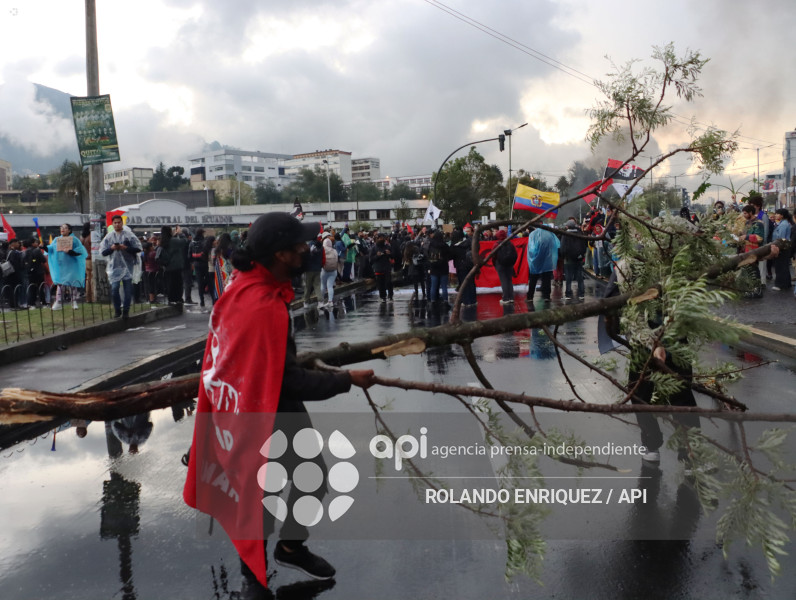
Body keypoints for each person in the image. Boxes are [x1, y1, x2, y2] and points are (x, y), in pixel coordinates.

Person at [183, 212, 374, 590]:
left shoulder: (250, 285)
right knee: (262, 492)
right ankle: (255, 577)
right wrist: (346, 379)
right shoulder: (261, 305)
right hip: (258, 407)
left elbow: (265, 362)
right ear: (282, 254)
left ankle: (289, 547)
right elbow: (289, 379)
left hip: (264, 399)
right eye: (301, 245)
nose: (308, 250)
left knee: (307, 476)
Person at [100, 215, 143, 318]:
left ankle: (126, 310)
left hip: (127, 266)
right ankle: (117, 309)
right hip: (114, 267)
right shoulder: (109, 237)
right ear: (112, 224)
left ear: (122, 223)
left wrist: (125, 248)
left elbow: (138, 248)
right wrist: (112, 248)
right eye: (115, 223)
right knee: (115, 289)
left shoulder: (129, 235)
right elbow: (103, 252)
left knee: (128, 290)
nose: (117, 224)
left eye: (119, 222)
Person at [47, 223, 87, 310]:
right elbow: (51, 248)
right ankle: (58, 302)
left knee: (72, 284)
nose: (62, 229)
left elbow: (80, 251)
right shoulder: (57, 239)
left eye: (65, 228)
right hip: (61, 265)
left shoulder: (75, 240)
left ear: (69, 230)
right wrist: (44, 247)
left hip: (72, 265)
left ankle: (74, 301)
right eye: (61, 228)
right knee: (60, 284)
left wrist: (70, 252)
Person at [526, 226, 560, 302]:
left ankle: (530, 297)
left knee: (533, 279)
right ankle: (547, 296)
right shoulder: (550, 235)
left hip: (536, 261)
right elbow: (556, 245)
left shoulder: (533, 234)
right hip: (547, 261)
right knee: (546, 279)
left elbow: (531, 248)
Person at [157, 226, 187, 304]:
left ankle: (171, 299)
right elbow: (184, 242)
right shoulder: (173, 241)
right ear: (170, 231)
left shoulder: (163, 241)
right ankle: (178, 299)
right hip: (176, 265)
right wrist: (180, 234)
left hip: (167, 266)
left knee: (170, 284)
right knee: (178, 284)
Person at [560, 218, 587, 300]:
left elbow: (563, 247)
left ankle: (568, 294)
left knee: (568, 278)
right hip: (578, 259)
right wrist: (582, 255)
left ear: (568, 226)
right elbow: (584, 245)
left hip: (568, 260)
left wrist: (563, 256)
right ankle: (581, 294)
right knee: (580, 278)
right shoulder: (580, 233)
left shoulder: (565, 234)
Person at [770, 208, 793, 291]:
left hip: (781, 247)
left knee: (780, 266)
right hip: (785, 248)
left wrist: (776, 248)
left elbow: (781, 238)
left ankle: (780, 284)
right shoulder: (785, 223)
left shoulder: (783, 224)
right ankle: (786, 284)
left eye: (777, 214)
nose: (775, 215)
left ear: (782, 215)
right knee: (784, 266)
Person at [426, 230, 451, 306]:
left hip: (434, 267)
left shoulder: (431, 245)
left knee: (433, 285)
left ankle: (433, 300)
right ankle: (445, 300)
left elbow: (428, 255)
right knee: (444, 286)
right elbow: (449, 256)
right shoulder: (445, 245)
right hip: (443, 267)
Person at [493, 230, 518, 304]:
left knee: (504, 281)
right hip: (510, 264)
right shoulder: (510, 243)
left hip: (500, 265)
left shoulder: (496, 244)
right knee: (509, 280)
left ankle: (505, 298)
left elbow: (493, 255)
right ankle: (511, 297)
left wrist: (495, 263)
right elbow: (515, 254)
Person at [369, 232, 394, 302]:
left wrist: (389, 254)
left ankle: (390, 295)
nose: (382, 239)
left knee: (389, 282)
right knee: (380, 283)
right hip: (378, 268)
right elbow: (371, 259)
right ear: (377, 239)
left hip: (387, 267)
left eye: (383, 238)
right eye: (380, 238)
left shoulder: (387, 247)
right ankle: (383, 296)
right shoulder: (374, 248)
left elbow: (392, 256)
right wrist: (377, 256)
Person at [303, 231, 324, 305]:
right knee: (317, 285)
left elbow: (305, 257)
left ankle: (306, 302)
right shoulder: (321, 246)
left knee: (308, 286)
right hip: (318, 268)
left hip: (309, 269)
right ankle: (320, 301)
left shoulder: (308, 245)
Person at [320, 232, 338, 306]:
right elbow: (337, 259)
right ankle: (330, 301)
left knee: (323, 285)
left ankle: (321, 301)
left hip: (324, 270)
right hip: (333, 270)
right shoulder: (334, 250)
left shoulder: (322, 249)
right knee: (330, 286)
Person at [80, 222, 94, 302]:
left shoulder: (82, 237)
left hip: (85, 259)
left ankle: (88, 298)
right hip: (91, 258)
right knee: (92, 278)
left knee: (88, 279)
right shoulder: (91, 236)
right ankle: (92, 296)